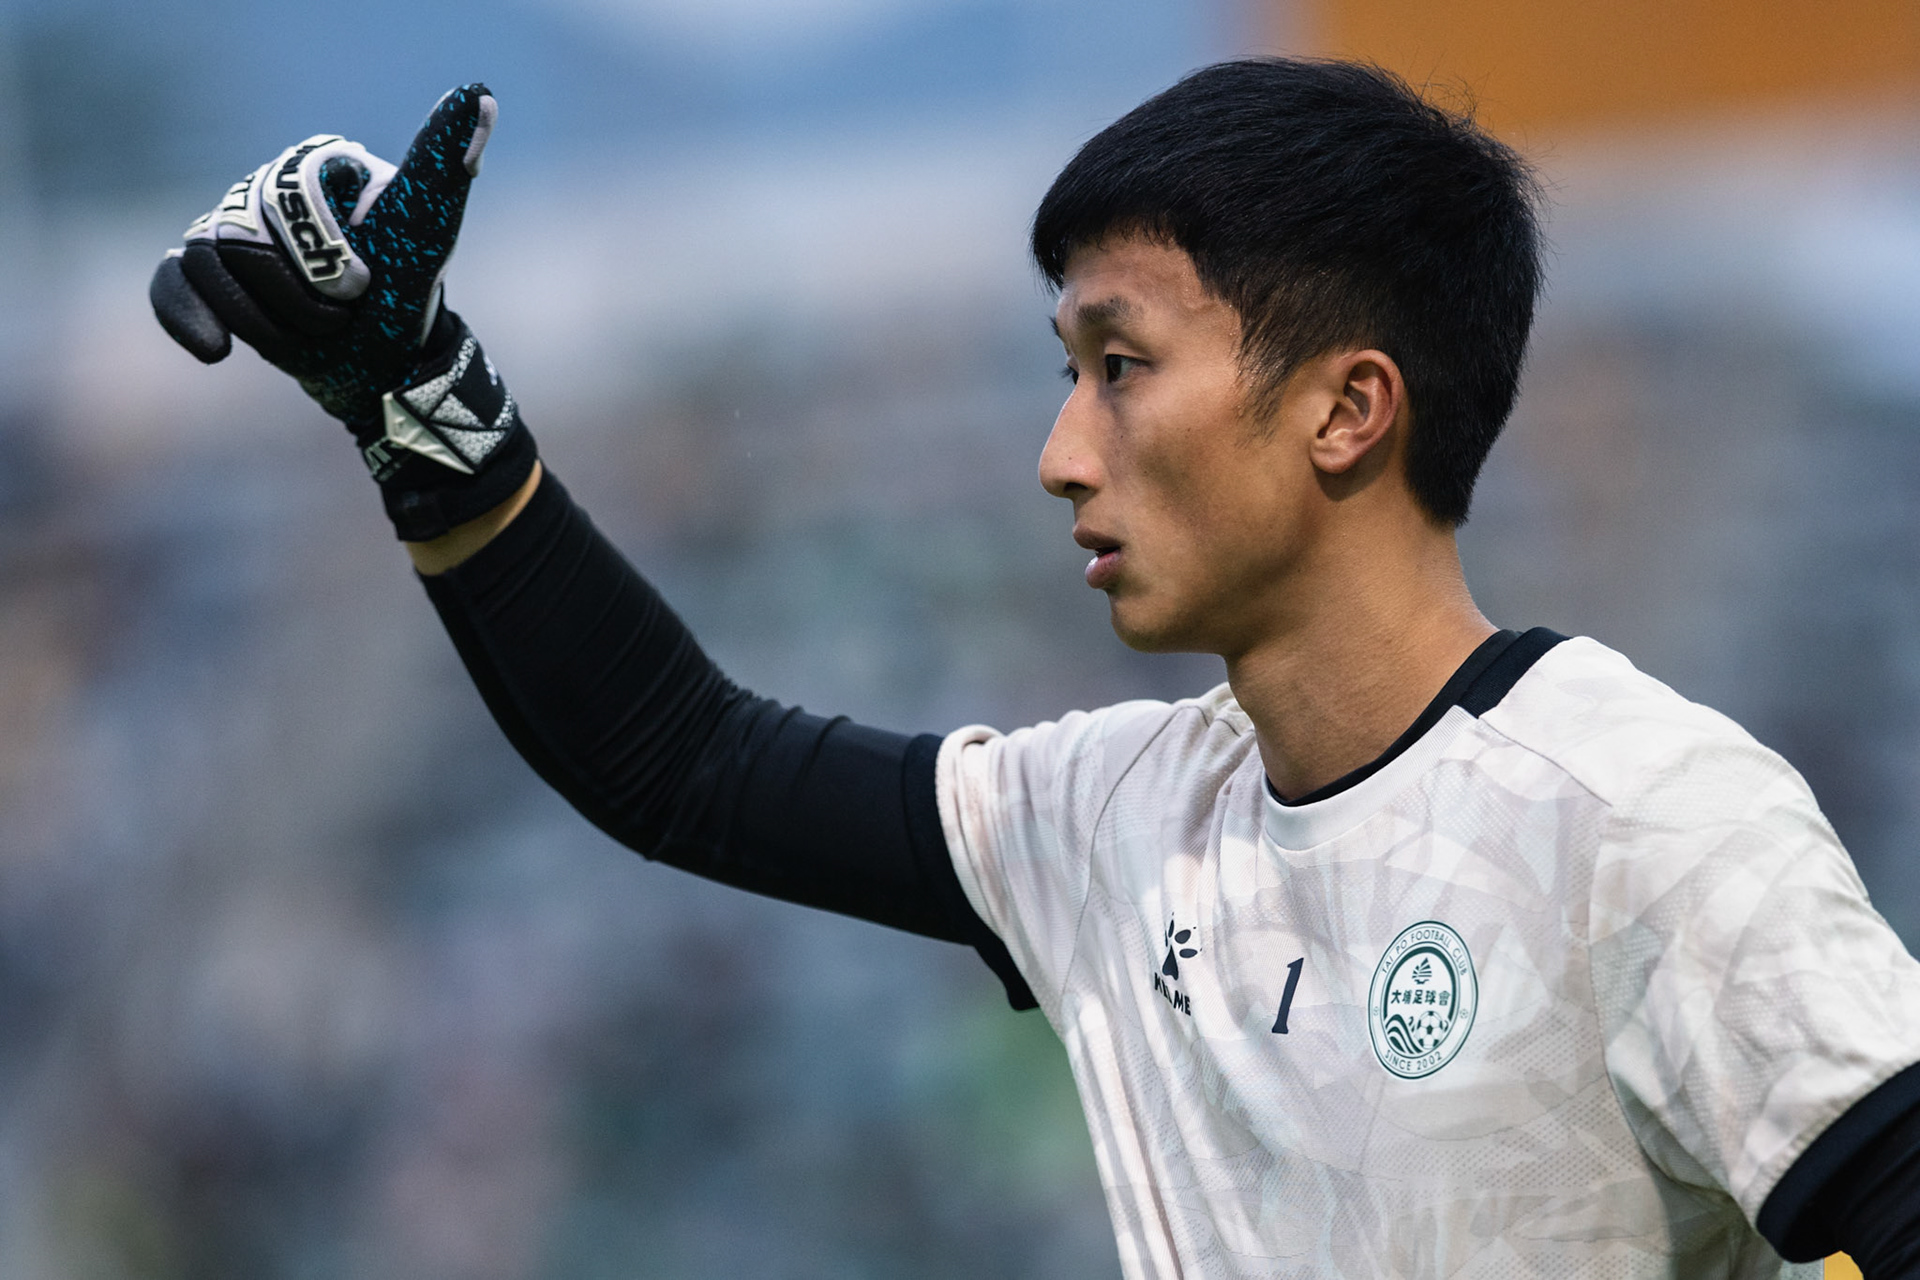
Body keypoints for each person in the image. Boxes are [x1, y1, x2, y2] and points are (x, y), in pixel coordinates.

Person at [149, 61, 1920, 1279]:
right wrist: (417, 402)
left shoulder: (1646, 817)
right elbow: (677, 760)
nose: (1062, 451)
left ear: (1347, 408)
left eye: (1120, 364)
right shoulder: (1120, 816)